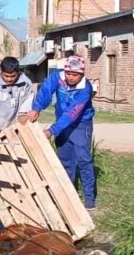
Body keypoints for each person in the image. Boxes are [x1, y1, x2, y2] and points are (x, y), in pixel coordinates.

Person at [27, 55, 97, 210]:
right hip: (62, 124)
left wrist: (51, 130)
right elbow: (45, 92)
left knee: (83, 160)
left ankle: (89, 199)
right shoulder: (56, 78)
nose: (71, 77)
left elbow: (72, 113)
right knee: (65, 160)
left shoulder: (85, 89)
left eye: (75, 75)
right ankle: (68, 195)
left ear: (82, 74)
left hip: (81, 124)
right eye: (68, 73)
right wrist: (37, 108)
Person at [0, 56, 35, 137]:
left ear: (18, 72)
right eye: (6, 76)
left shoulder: (26, 83)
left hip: (17, 129)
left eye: (13, 76)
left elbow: (27, 103)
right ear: (0, 71)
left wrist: (23, 115)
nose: (9, 79)